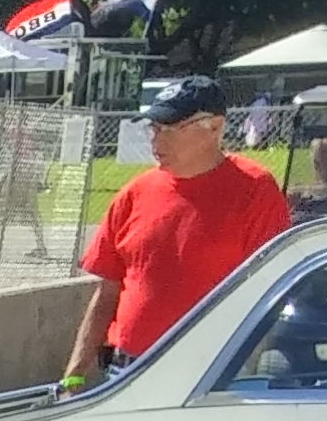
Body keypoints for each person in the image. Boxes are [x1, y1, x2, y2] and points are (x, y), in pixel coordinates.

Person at [66, 73, 291, 387]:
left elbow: (268, 290)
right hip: (123, 372)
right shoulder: (133, 194)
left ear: (214, 127)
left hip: (209, 376)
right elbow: (107, 294)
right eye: (153, 128)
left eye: (169, 129)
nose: (156, 140)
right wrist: (73, 376)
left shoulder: (254, 190)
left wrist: (242, 376)